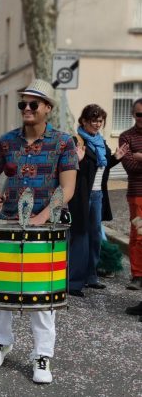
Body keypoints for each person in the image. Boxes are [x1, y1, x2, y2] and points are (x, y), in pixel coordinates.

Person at [0, 79, 78, 383]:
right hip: (9, 222)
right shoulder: (7, 141)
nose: (26, 108)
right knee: (1, 288)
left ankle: (42, 355)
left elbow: (68, 188)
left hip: (46, 228)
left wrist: (43, 216)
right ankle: (1, 342)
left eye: (33, 104)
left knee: (42, 295)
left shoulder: (63, 143)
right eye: (22, 103)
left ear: (47, 108)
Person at [68, 104, 128, 297]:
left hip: (97, 196)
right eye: (93, 120)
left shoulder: (100, 142)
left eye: (100, 120)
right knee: (80, 237)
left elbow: (103, 165)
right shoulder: (76, 141)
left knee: (95, 237)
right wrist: (77, 160)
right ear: (84, 121)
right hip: (81, 196)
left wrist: (116, 158)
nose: (97, 124)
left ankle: (91, 277)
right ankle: (74, 281)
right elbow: (68, 169)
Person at [119, 98, 142, 290]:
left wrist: (141, 156)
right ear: (133, 114)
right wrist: (136, 160)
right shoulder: (126, 137)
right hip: (137, 194)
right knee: (139, 234)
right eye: (139, 114)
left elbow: (137, 163)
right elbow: (131, 167)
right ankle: (138, 274)